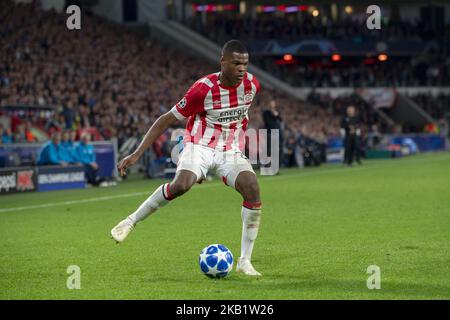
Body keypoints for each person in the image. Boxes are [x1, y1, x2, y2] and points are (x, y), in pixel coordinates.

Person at [111, 40, 263, 276]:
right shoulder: (202, 90)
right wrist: (137, 153)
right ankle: (130, 221)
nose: (242, 69)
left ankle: (245, 261)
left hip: (228, 149)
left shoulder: (252, 85)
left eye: (245, 63)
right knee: (181, 185)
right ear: (223, 62)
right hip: (198, 145)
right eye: (236, 63)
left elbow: (239, 116)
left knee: (252, 188)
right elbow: (166, 119)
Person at [262, 99, 284, 166]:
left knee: (277, 150)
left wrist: (276, 115)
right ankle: (267, 165)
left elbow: (281, 120)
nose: (273, 105)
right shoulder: (266, 113)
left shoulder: (277, 112)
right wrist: (275, 115)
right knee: (269, 150)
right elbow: (269, 122)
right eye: (271, 103)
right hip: (269, 133)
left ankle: (276, 165)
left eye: (273, 103)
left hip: (277, 133)